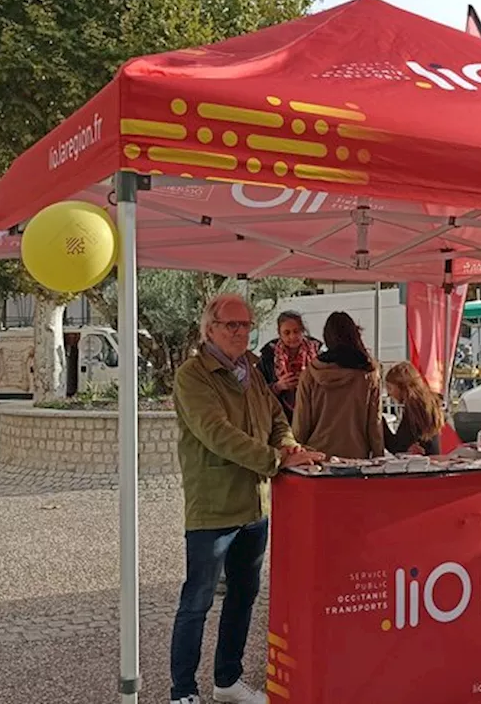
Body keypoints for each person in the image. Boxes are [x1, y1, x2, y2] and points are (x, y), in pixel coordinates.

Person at [170, 293, 323, 704]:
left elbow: (275, 419)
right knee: (197, 601)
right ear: (210, 329)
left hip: (256, 507)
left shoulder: (252, 369)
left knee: (242, 598)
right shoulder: (192, 376)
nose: (240, 332)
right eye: (231, 325)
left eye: (246, 325)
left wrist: (289, 446)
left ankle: (227, 681)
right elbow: (217, 433)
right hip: (213, 507)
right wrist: (278, 459)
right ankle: (182, 690)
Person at [292, 311, 384, 459]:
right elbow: (375, 424)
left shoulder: (310, 374)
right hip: (356, 459)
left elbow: (301, 423)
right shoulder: (368, 374)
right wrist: (378, 456)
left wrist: (297, 452)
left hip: (317, 459)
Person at [257, 311, 320, 423]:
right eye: (287, 333)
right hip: (280, 419)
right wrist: (278, 386)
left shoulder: (318, 353)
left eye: (296, 331)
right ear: (279, 333)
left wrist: (309, 381)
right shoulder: (268, 357)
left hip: (314, 416)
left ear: (302, 330)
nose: (292, 336)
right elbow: (257, 391)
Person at [383, 361, 444, 456]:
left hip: (420, 464)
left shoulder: (413, 409)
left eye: (390, 388)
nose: (388, 393)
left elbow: (398, 447)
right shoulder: (427, 403)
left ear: (402, 387)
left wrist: (381, 422)